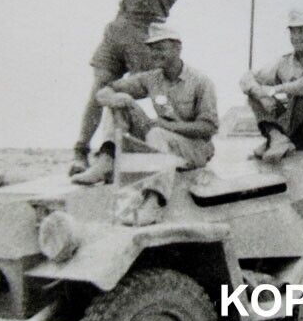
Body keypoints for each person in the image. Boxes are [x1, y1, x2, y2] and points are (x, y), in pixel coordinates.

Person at [70, 0, 184, 176]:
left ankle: (113, 154)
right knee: (99, 87)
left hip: (146, 31)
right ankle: (81, 151)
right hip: (121, 24)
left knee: (132, 91)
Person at [72, 24, 218, 214]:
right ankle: (107, 159)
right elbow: (106, 90)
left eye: (160, 48)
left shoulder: (200, 81)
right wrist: (111, 97)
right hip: (162, 140)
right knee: (121, 101)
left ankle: (154, 200)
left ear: (177, 48)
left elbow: (208, 128)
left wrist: (166, 126)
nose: (155, 54)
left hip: (195, 149)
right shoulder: (152, 78)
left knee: (157, 132)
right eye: (151, 49)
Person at [240, 10, 303, 162]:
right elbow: (247, 78)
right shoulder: (284, 61)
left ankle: (277, 137)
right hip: (295, 127)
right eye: (292, 32)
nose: (295, 37)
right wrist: (261, 95)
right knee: (254, 93)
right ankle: (277, 137)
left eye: (301, 31)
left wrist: (275, 89)